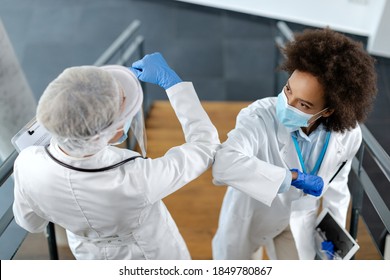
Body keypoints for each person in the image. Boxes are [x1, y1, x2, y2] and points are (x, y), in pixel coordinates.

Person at [12, 52, 220, 260]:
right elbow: (205, 147)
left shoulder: (26, 163)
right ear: (116, 132)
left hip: (87, 255)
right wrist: (173, 84)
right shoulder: (137, 179)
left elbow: (30, 223)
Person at [212, 28, 377, 259]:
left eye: (304, 105)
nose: (287, 104)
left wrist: (335, 239)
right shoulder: (259, 116)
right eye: (288, 89)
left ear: (328, 110)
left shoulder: (349, 135)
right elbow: (223, 165)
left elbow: (338, 187)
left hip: (300, 220)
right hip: (252, 213)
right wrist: (292, 178)